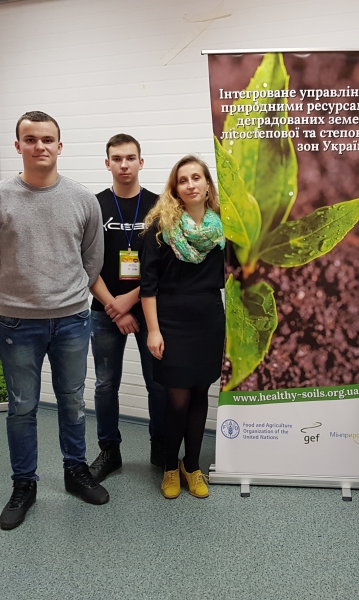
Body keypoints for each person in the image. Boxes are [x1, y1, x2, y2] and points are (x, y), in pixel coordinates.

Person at [0, 110, 107, 530]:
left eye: (47, 139)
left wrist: (72, 296)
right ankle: (24, 484)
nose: (39, 146)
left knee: (72, 401)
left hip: (71, 320)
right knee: (22, 407)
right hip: (17, 324)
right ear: (18, 146)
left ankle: (75, 471)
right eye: (30, 139)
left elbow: (92, 260)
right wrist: (9, 301)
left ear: (60, 146)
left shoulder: (83, 199)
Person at [140, 155, 225, 500]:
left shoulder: (222, 229)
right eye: (183, 179)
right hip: (171, 322)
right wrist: (153, 331)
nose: (190, 184)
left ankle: (192, 466)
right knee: (177, 401)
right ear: (175, 188)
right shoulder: (160, 229)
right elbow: (148, 286)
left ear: (207, 185)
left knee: (200, 395)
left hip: (209, 321)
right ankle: (170, 467)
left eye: (196, 178)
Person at [88, 134, 166, 482]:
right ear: (107, 164)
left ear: (141, 162)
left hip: (149, 308)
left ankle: (161, 449)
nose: (124, 165)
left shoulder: (160, 206)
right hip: (104, 311)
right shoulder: (94, 206)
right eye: (117, 159)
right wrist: (113, 306)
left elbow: (165, 265)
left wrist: (128, 302)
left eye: (130, 158)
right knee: (105, 385)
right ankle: (110, 451)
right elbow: (85, 264)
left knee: (158, 384)